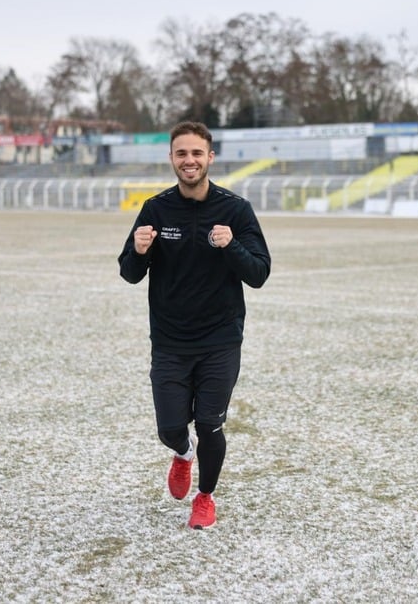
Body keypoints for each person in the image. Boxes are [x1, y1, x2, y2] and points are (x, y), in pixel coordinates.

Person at [118, 121, 271, 530]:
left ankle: (205, 498)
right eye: (182, 153)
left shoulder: (235, 210)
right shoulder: (156, 209)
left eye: (197, 153)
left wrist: (231, 246)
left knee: (210, 424)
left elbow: (259, 273)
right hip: (170, 341)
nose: (190, 160)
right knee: (170, 428)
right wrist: (138, 251)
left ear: (210, 158)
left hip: (220, 340)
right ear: (171, 158)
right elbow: (129, 273)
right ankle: (183, 453)